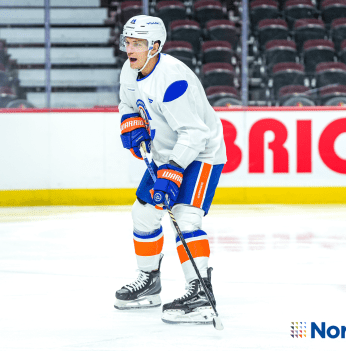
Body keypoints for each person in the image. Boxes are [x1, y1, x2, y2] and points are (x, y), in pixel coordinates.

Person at [113, 15, 227, 325]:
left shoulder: (173, 78)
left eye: (138, 43)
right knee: (144, 215)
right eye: (128, 42)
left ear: (156, 46)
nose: (130, 49)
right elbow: (127, 104)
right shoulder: (130, 70)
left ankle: (200, 290)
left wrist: (174, 170)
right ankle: (149, 282)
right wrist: (131, 122)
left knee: (186, 215)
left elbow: (196, 133)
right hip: (166, 155)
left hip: (201, 154)